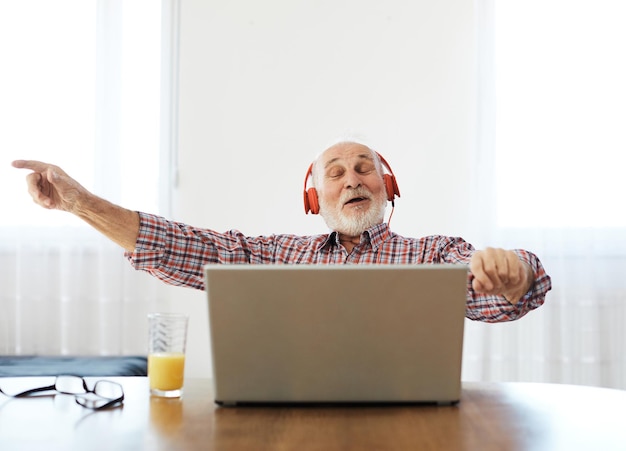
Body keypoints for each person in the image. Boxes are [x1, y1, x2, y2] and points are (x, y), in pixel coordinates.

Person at [12, 141, 551, 322]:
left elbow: (498, 291)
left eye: (364, 168)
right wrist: (80, 203)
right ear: (315, 199)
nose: (352, 180)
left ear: (387, 186)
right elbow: (183, 247)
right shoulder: (277, 254)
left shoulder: (434, 253)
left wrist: (514, 274)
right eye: (334, 174)